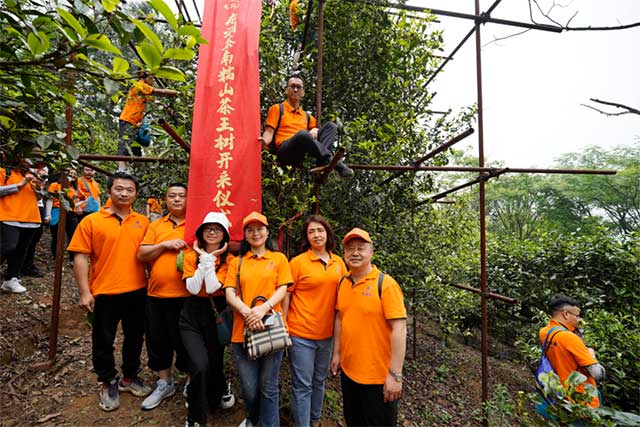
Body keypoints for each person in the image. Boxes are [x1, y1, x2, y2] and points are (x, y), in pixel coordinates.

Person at [67, 171, 152, 412]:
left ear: (135, 194)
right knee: (103, 340)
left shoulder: (143, 222)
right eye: (119, 189)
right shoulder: (92, 221)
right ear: (109, 191)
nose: (124, 193)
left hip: (137, 290)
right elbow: (81, 257)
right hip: (104, 291)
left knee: (135, 337)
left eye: (130, 190)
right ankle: (107, 381)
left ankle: (129, 376)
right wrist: (85, 292)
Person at [330, 228, 407, 427]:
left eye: (361, 248)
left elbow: (399, 329)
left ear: (371, 252)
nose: (355, 253)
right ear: (344, 253)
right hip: (349, 373)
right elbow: (340, 318)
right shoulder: (343, 283)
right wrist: (337, 353)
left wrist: (395, 375)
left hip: (378, 378)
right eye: (350, 249)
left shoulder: (386, 285)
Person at [223, 211, 293, 427]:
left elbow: (283, 288)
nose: (256, 233)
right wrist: (248, 313)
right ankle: (254, 420)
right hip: (241, 333)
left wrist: (262, 310)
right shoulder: (237, 261)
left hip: (272, 329)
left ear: (267, 231)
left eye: (259, 228)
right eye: (250, 230)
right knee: (250, 388)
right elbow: (229, 292)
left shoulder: (278, 258)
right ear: (245, 234)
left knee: (269, 387)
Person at [283, 215, 347, 427]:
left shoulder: (339, 263)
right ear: (306, 237)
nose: (317, 235)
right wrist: (283, 324)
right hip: (301, 334)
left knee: (319, 381)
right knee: (303, 385)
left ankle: (315, 420)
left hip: (327, 335)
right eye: (312, 232)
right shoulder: (298, 262)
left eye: (320, 230)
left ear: (327, 233)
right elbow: (287, 294)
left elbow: (346, 295)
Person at [179, 211, 236, 427]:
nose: (212, 232)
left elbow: (213, 287)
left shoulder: (229, 260)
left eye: (217, 229)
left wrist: (209, 259)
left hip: (216, 314)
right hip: (191, 315)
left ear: (224, 235)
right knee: (199, 364)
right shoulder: (189, 255)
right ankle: (194, 416)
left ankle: (215, 394)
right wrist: (204, 259)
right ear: (201, 232)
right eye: (208, 228)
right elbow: (193, 288)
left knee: (214, 361)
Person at [136, 183, 190, 411]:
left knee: (186, 342)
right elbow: (141, 253)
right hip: (157, 294)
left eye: (181, 196)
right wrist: (164, 245)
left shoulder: (197, 225)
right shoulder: (156, 225)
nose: (177, 200)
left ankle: (190, 381)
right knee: (158, 340)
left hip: (187, 296)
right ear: (165, 199)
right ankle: (164, 381)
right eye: (172, 196)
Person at [259, 76, 354, 179]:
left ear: (302, 92)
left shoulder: (307, 116)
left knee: (331, 126)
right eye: (292, 86)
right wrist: (264, 141)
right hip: (284, 150)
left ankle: (322, 162)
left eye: (298, 87)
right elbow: (269, 131)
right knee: (302, 134)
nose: (295, 90)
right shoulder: (277, 108)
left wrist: (315, 129)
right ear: (286, 90)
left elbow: (318, 135)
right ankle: (333, 162)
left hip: (300, 153)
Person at [539, 294, 605, 407]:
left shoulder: (544, 332)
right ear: (565, 314)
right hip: (581, 402)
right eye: (577, 316)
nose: (579, 320)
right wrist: (591, 354)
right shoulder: (570, 338)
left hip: (558, 397)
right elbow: (598, 374)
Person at [118, 70, 178, 171]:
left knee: (135, 148)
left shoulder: (143, 90)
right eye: (152, 78)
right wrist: (178, 93)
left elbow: (154, 101)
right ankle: (121, 169)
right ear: (145, 78)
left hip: (135, 123)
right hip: (128, 120)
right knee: (125, 145)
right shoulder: (140, 85)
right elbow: (160, 92)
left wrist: (167, 108)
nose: (153, 81)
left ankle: (136, 171)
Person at [0, 163, 44, 293]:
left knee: (21, 250)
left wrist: (38, 187)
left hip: (31, 217)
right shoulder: (4, 171)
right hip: (9, 215)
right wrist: (20, 184)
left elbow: (39, 197)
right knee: (7, 247)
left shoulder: (31, 173)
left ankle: (11, 279)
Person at [45, 168, 79, 260]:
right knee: (56, 236)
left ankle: (72, 257)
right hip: (57, 211)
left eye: (74, 174)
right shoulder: (55, 185)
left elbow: (75, 202)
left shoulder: (74, 188)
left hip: (71, 213)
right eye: (70, 173)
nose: (72, 175)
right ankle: (56, 257)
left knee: (73, 235)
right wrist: (48, 214)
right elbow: (50, 199)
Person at [21, 165, 48, 277]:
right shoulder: (22, 166)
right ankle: (16, 268)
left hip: (38, 205)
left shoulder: (44, 168)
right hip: (22, 204)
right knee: (19, 239)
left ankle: (27, 265)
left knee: (34, 238)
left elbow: (41, 189)